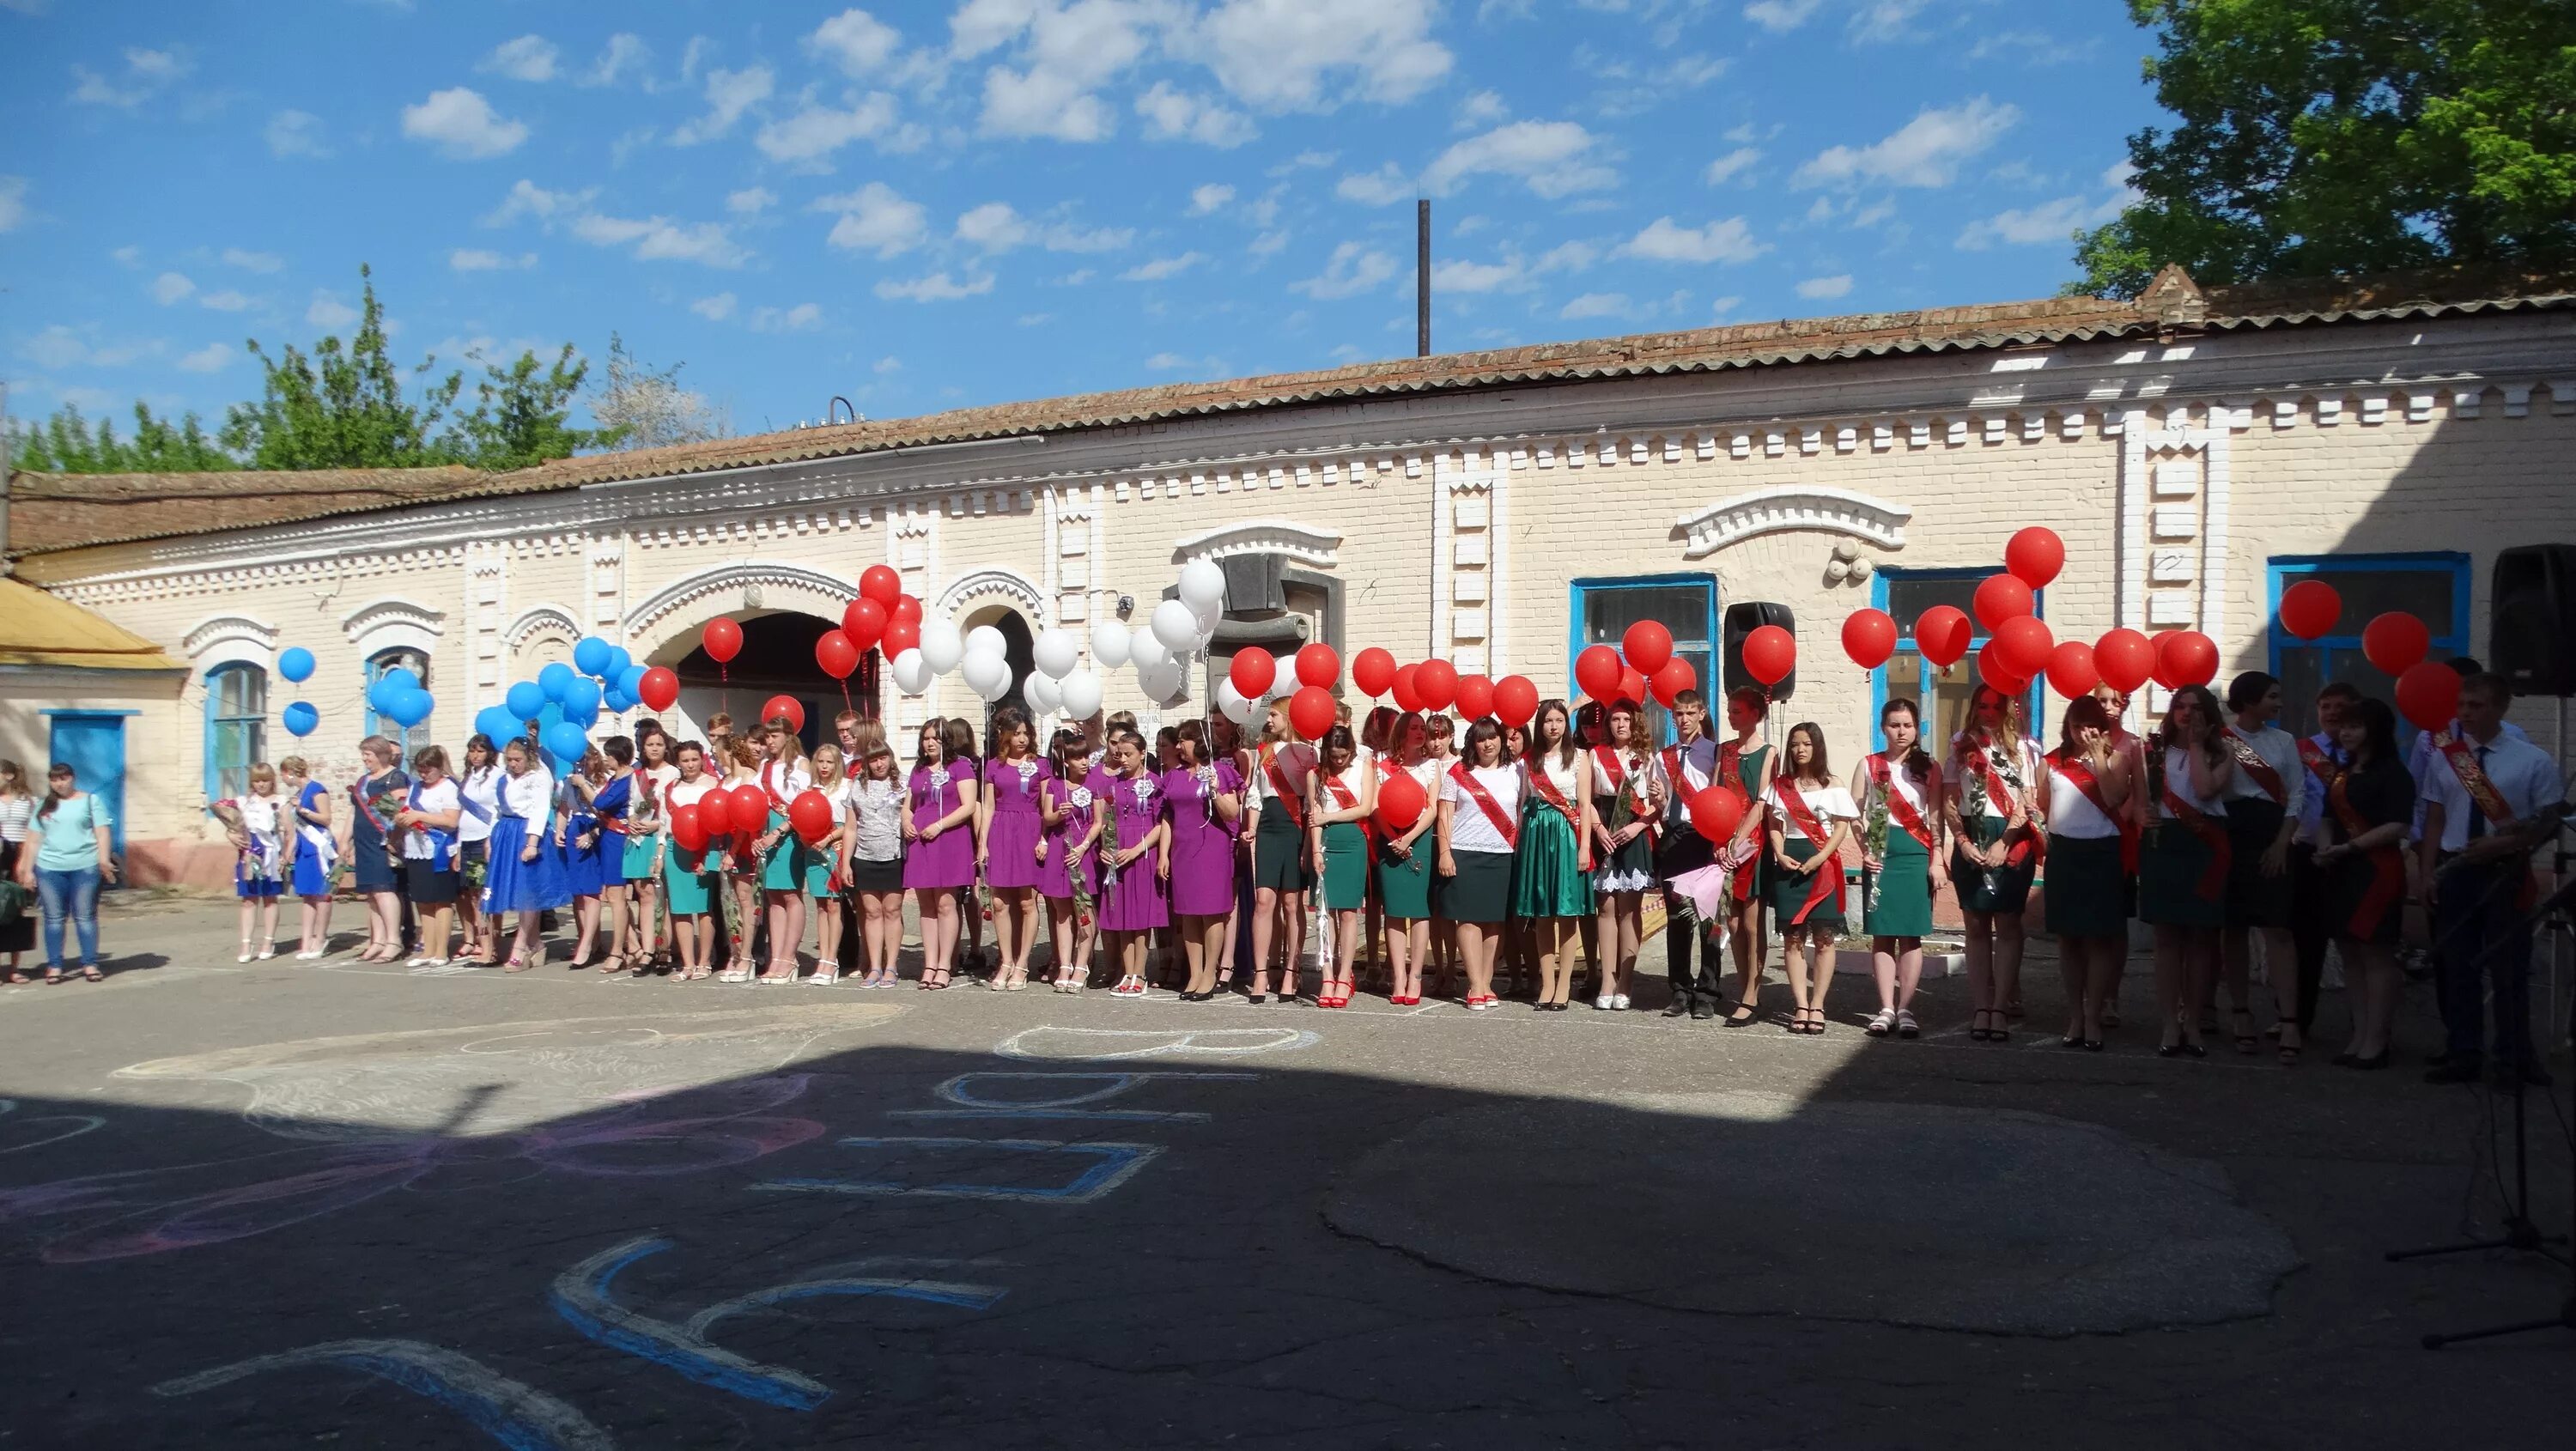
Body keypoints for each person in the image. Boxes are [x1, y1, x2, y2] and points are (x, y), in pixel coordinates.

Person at [2419, 672, 2564, 1085]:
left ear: (2500, 708)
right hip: (2456, 869)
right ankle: (2464, 1052)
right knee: (2457, 967)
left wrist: (2500, 847)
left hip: (2506, 872)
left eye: (2476, 706)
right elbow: (2435, 817)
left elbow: (2548, 823)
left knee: (2508, 969)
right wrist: (2427, 872)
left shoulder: (2532, 760)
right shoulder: (2446, 756)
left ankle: (2513, 1058)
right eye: (2461, 705)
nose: (2465, 713)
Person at [2319, 698, 2415, 1069]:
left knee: (2376, 954)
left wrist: (2350, 846)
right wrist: (2328, 846)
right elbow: (2328, 816)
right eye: (2343, 725)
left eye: (2355, 726)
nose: (2346, 732)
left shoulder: (2393, 772)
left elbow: (2399, 825)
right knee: (2350, 954)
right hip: (2342, 869)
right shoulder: (2342, 773)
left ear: (2375, 730)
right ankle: (2358, 1033)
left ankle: (2378, 1038)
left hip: (2377, 870)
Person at [1945, 683, 2043, 1042]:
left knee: (2008, 924)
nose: (1988, 713)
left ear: (2008, 711)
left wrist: (2004, 843)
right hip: (1971, 836)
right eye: (1982, 706)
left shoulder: (2023, 749)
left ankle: (2001, 1005)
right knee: (1974, 925)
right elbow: (1951, 800)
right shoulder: (1960, 744)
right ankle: (1981, 1005)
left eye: (1996, 707)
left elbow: (2026, 802)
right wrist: (1962, 841)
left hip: (2010, 840)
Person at [2141, 683, 2233, 1058]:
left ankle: (2193, 1021)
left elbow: (2205, 789)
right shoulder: (2152, 752)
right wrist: (2141, 815)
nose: (2187, 714)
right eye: (2181, 706)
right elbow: (2136, 799)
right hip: (2164, 844)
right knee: (2166, 940)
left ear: (2209, 715)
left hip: (2204, 845)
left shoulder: (2225, 752)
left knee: (2199, 940)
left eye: (2196, 708)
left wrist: (2196, 744)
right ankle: (2168, 1023)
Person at [2219, 671, 2305, 1057]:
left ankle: (2289, 1020)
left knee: (2279, 929)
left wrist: (2283, 843)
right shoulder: (2221, 741)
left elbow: (2298, 794)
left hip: (2272, 837)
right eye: (2272, 696)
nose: (2279, 703)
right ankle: (2240, 1013)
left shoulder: (2284, 741)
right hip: (2231, 835)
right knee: (2233, 929)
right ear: (2250, 700)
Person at [2043, 696, 2133, 1052]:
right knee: (2068, 940)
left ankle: (2094, 1014)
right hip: (2065, 853)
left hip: (2103, 851)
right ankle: (2075, 1015)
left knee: (2099, 939)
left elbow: (2114, 799)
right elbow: (2043, 805)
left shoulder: (2118, 759)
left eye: (2091, 725)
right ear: (2068, 727)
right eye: (2077, 726)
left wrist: (2098, 759)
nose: (2084, 733)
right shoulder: (2052, 761)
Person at [1858, 698, 1945, 1039]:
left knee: (1910, 934)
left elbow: (1936, 816)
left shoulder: (1929, 767)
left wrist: (1937, 858)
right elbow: (1853, 811)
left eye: (1907, 725)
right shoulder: (1869, 765)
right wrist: (1864, 849)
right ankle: (1885, 1009)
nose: (1901, 731)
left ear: (1916, 728)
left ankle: (1906, 1008)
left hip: (1914, 853)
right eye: (1895, 724)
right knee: (1882, 933)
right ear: (1883, 728)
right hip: (1881, 856)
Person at [1765, 722, 1856, 1035]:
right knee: (1792, 938)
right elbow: (1774, 824)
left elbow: (1842, 827)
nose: (1800, 750)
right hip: (1789, 863)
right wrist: (1778, 853)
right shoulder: (1781, 785)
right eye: (1794, 744)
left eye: (1806, 743)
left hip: (1824, 863)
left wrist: (1819, 857)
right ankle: (1800, 1004)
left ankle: (1818, 1004)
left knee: (1823, 938)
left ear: (1817, 746)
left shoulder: (1834, 783)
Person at [2287, 683, 2360, 1041]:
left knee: (2357, 945)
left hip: (2356, 855)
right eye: (2326, 706)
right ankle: (2297, 1020)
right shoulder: (2302, 751)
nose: (2332, 713)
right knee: (2305, 943)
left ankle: (2364, 1026)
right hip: (2308, 856)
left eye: (2341, 707)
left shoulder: (2364, 756)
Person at [1437, 717, 1522, 1011]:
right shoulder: (1458, 773)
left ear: (1502, 739)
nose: (1488, 744)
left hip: (1501, 853)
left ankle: (1487, 983)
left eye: (1493, 737)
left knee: (1494, 921)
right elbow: (1445, 815)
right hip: (1464, 851)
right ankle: (1474, 984)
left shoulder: (1515, 772)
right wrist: (1445, 853)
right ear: (1473, 743)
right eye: (1481, 739)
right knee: (1468, 919)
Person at [1514, 698, 1593, 1011]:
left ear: (1566, 724)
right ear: (1540, 724)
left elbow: (1585, 805)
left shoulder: (1579, 758)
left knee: (1566, 911)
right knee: (1542, 913)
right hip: (1536, 834)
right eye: (1548, 721)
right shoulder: (1529, 760)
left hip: (1565, 835)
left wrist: (1585, 846)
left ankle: (1564, 985)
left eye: (1559, 720)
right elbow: (1522, 802)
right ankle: (1546, 983)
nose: (1553, 726)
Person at [1654, 690, 1723, 1020]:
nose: (1683, 720)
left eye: (1689, 713)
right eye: (1678, 714)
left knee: (1709, 920)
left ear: (1701, 713)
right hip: (1675, 837)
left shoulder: (1715, 753)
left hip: (1705, 838)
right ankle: (1680, 990)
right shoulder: (1663, 757)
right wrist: (1658, 797)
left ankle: (1707, 992)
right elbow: (1660, 803)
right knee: (1677, 920)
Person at [1244, 701, 1319, 1003]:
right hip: (1268, 826)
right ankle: (1261, 972)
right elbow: (1254, 794)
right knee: (1264, 900)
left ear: (1289, 716)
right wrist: (1250, 829)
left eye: (1274, 713)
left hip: (1295, 827)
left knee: (1291, 903)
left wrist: (1308, 843)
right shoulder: (1264, 751)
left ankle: (1292, 970)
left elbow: (1312, 799)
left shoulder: (1308, 752)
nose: (1269, 719)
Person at [1588, 698, 1659, 1010]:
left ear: (1635, 723)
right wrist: (1598, 829)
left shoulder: (1647, 757)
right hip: (1604, 833)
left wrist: (1638, 827)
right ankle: (1607, 980)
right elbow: (1585, 798)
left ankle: (1626, 981)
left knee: (1629, 911)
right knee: (1605, 909)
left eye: (1626, 720)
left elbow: (1658, 803)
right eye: (1615, 719)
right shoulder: (1595, 755)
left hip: (1632, 833)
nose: (1620, 725)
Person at [1164, 720, 1243, 1002]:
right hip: (1182, 850)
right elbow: (1167, 816)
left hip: (1212, 848)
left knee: (1211, 911)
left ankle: (1210, 972)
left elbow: (1233, 813)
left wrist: (1214, 791)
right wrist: (1163, 854)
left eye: (1184, 740)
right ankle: (1194, 973)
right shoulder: (1173, 775)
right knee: (1187, 912)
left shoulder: (1221, 771)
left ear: (1199, 741)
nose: (1178, 746)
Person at [18, 762, 116, 982]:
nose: (59, 783)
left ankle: (90, 964)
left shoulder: (91, 801)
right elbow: (33, 840)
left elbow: (102, 833)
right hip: (50, 869)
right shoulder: (44, 804)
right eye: (54, 779)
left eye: (63, 778)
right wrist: (27, 869)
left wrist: (103, 860)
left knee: (85, 916)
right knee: (53, 918)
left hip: (84, 867)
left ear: (73, 778)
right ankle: (54, 965)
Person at [1715, 688, 1777, 1023]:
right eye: (1729, 710)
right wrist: (1718, 841)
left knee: (1753, 924)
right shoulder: (1724, 751)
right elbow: (1714, 796)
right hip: (1724, 846)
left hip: (1753, 846)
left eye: (1737, 711)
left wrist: (1738, 839)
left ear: (1755, 713)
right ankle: (1743, 987)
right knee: (1733, 921)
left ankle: (1752, 995)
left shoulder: (1769, 753)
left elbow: (1762, 801)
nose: (1731, 716)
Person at [979, 707, 1051, 993]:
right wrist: (982, 843)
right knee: (999, 902)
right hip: (1001, 831)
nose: (1022, 739)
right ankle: (1006, 961)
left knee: (1026, 901)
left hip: (1029, 830)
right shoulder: (993, 766)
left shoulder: (1041, 765)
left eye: (1026, 733)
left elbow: (1046, 806)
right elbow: (988, 806)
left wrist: (1044, 838)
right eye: (1017, 733)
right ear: (1005, 735)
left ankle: (1022, 963)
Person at [1094, 727, 1170, 999]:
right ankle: (1127, 972)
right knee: (1123, 916)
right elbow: (1104, 822)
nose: (1123, 759)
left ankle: (1140, 973)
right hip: (1117, 854)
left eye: (1129, 754)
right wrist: (1106, 848)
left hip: (1141, 853)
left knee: (1141, 919)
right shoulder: (1112, 784)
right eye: (1119, 754)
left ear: (1142, 754)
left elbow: (1161, 823)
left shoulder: (1155, 782)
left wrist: (1138, 849)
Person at [904, 719, 980, 990]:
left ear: (946, 740)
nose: (930, 742)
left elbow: (969, 806)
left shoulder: (960, 766)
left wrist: (939, 825)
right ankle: (929, 963)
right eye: (926, 738)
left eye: (935, 737)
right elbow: (908, 804)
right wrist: (906, 821)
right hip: (921, 841)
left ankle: (946, 965)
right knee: (926, 905)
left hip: (949, 838)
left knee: (946, 904)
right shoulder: (919, 769)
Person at [1307, 724, 1377, 1008]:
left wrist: (1328, 818)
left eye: (1344, 755)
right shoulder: (1315, 775)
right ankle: (1327, 975)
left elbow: (1366, 808)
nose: (1339, 762)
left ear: (1351, 751)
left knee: (1348, 913)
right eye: (1333, 756)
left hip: (1353, 841)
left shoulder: (1364, 768)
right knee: (1325, 912)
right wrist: (1314, 850)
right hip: (1326, 844)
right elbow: (1315, 815)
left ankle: (1346, 974)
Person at [483, 737, 566, 971]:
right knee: (515, 891)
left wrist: (532, 843)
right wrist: (490, 838)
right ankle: (536, 944)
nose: (513, 764)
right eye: (509, 759)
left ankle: (521, 945)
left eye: (517, 759)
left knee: (527, 891)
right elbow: (496, 810)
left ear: (528, 758)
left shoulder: (538, 776)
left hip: (527, 832)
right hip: (506, 832)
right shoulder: (505, 777)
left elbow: (540, 809)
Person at [1374, 711, 1439, 1006]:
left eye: (1423, 728)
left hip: (1419, 840)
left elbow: (1432, 809)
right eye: (1413, 728)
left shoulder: (1432, 766)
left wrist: (1409, 838)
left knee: (1419, 910)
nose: (1420, 733)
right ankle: (1398, 975)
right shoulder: (1381, 766)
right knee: (1396, 910)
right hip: (1389, 839)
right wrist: (1393, 838)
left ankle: (1415, 976)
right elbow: (1375, 806)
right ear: (1401, 732)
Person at [1037, 726, 1102, 993]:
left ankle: (1082, 963)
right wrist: (1059, 814)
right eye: (1077, 758)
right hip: (1059, 847)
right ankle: (1064, 963)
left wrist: (1085, 846)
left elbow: (1098, 822)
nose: (1084, 762)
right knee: (1062, 911)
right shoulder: (1055, 783)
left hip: (1083, 850)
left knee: (1083, 908)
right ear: (1065, 761)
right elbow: (1047, 817)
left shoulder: (1095, 783)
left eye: (1086, 756)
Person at [842, 725, 907, 988]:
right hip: (865, 855)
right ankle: (874, 966)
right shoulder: (857, 787)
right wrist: (846, 861)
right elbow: (850, 827)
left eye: (883, 758)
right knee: (871, 912)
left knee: (891, 911)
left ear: (890, 758)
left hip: (893, 855)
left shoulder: (903, 784)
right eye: (873, 760)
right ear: (866, 763)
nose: (879, 764)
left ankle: (891, 966)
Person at [658, 741, 724, 981]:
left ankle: (704, 961)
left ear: (701, 759)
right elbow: (664, 824)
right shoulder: (670, 787)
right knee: (680, 909)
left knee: (704, 909)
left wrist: (708, 855)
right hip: (676, 848)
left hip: (705, 849)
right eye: (685, 760)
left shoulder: (714, 784)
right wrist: (659, 854)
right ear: (678, 762)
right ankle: (687, 963)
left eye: (694, 759)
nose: (690, 765)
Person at [393, 746, 463, 966]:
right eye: (420, 770)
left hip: (439, 849)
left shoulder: (449, 788)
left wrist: (420, 815)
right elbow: (407, 813)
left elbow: (451, 821)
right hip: (416, 848)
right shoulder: (415, 789)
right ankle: (428, 951)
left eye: (428, 770)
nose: (423, 775)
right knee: (423, 901)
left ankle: (442, 951)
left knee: (441, 901)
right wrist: (400, 818)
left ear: (438, 767)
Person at [348, 736, 410, 962]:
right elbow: (354, 813)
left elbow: (401, 811)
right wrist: (348, 841)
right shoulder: (363, 781)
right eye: (363, 754)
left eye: (369, 754)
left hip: (384, 841)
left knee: (385, 890)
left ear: (383, 755)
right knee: (372, 894)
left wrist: (395, 838)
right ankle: (378, 940)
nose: (365, 759)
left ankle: (394, 940)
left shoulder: (395, 777)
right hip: (364, 842)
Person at [623, 726, 678, 975]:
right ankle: (647, 950)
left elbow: (671, 810)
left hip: (659, 837)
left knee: (660, 896)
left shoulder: (672, 773)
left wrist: (655, 825)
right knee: (643, 895)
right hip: (638, 840)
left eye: (658, 744)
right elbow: (632, 803)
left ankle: (664, 948)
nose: (654, 748)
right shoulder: (638, 775)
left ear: (665, 746)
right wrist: (632, 819)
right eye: (649, 745)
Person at [220, 762, 289, 961]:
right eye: (257, 781)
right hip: (249, 854)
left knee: (270, 898)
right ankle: (246, 944)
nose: (261, 785)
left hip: (272, 853)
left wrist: (285, 856)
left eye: (265, 780)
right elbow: (233, 826)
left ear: (272, 781)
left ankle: (268, 941)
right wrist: (230, 835)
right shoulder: (243, 802)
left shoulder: (280, 802)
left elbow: (289, 831)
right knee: (249, 900)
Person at [556, 750, 611, 969]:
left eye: (584, 759)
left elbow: (607, 815)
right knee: (578, 893)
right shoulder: (569, 782)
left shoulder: (603, 781)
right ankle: (588, 939)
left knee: (590, 892)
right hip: (574, 831)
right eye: (576, 761)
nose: (580, 764)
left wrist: (592, 834)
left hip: (594, 833)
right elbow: (563, 808)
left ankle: (587, 945)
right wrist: (559, 830)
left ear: (594, 759)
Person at [587, 738, 637, 975]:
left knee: (617, 897)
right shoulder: (614, 779)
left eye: (609, 755)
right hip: (607, 838)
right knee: (611, 894)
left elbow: (600, 802)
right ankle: (634, 946)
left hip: (618, 841)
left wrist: (581, 784)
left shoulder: (627, 780)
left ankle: (617, 950)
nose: (606, 759)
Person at [452, 735, 500, 965]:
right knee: (472, 895)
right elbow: (463, 813)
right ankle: (484, 942)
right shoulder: (468, 777)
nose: (475, 755)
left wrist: (491, 838)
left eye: (480, 751)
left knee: (485, 894)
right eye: (472, 750)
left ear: (489, 753)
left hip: (485, 840)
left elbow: (498, 810)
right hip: (468, 840)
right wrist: (459, 847)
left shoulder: (497, 776)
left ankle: (491, 946)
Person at [0, 760, 33, 980]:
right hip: (1, 854)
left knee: (16, 911)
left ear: (9, 776)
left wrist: (27, 864)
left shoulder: (28, 801)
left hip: (20, 855)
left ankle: (14, 968)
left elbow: (34, 833)